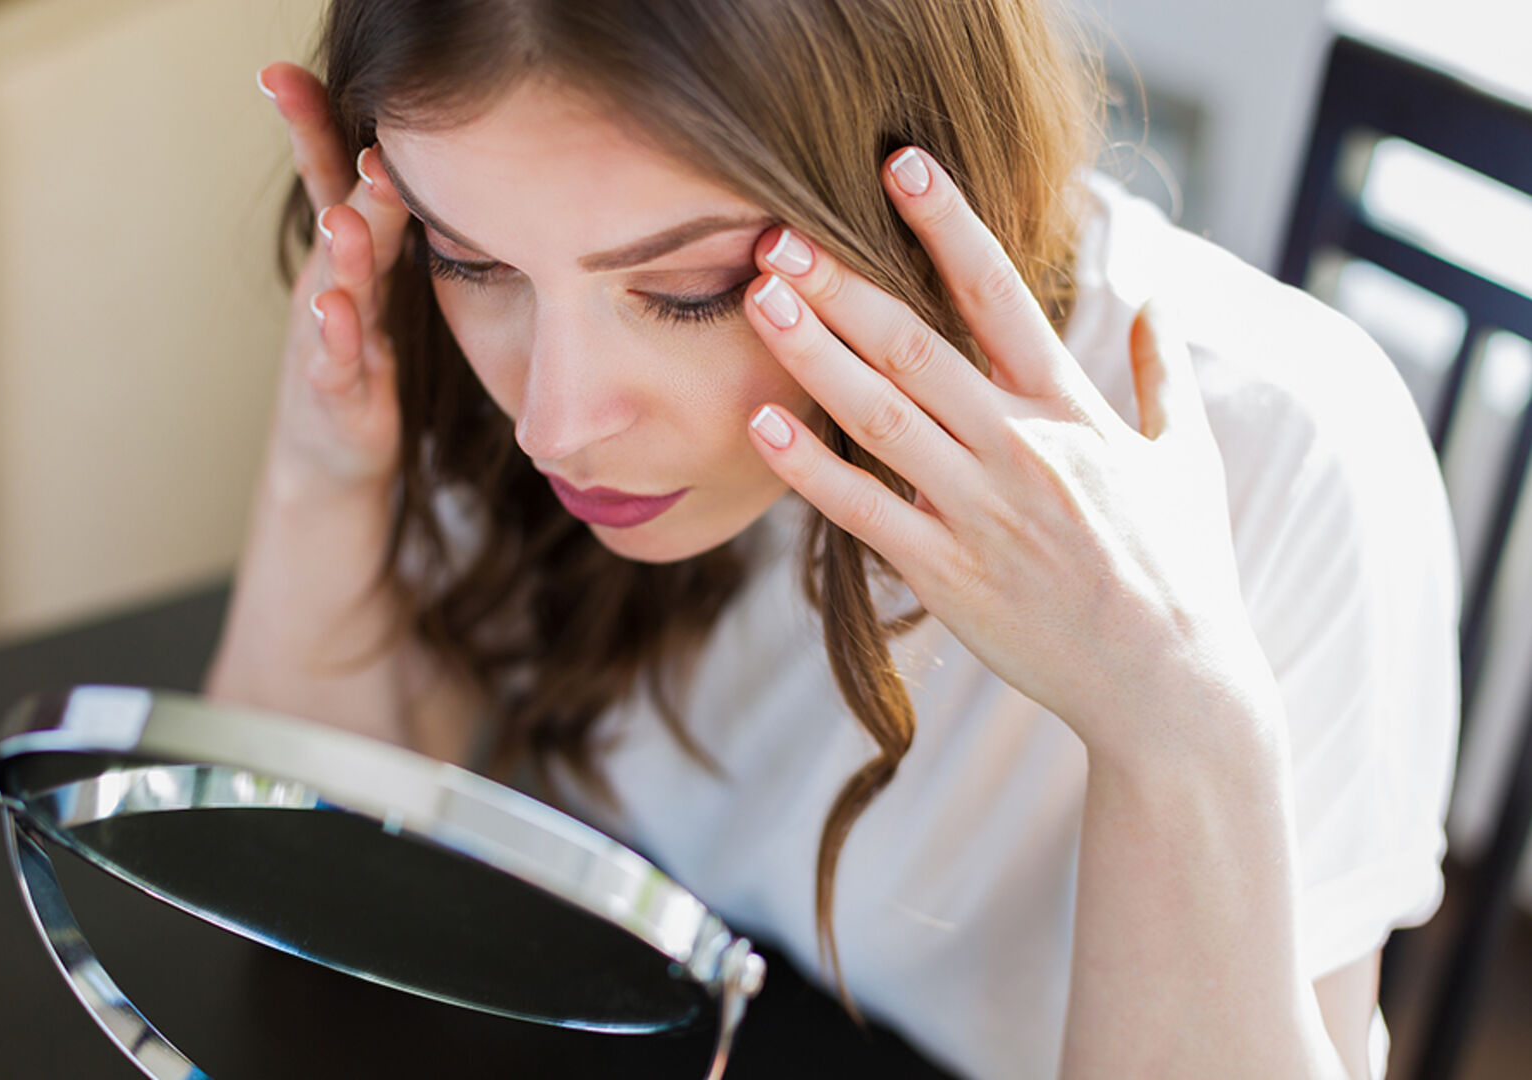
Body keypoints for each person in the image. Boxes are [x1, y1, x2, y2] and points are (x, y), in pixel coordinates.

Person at [204, 1, 1459, 1077]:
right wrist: (329, 470)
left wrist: (1174, 721)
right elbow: (286, 880)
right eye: (466, 258)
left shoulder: (1282, 451)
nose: (552, 423)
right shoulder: (500, 323)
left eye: (688, 288)